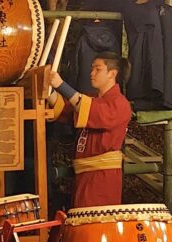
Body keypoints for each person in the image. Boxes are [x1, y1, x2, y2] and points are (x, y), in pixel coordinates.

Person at [50, 53, 132, 208]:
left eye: (97, 69)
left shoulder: (120, 104)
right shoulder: (92, 99)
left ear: (112, 74)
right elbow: (66, 109)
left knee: (95, 222)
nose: (91, 73)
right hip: (83, 174)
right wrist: (48, 90)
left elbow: (93, 112)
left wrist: (61, 85)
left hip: (103, 177)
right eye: (92, 68)